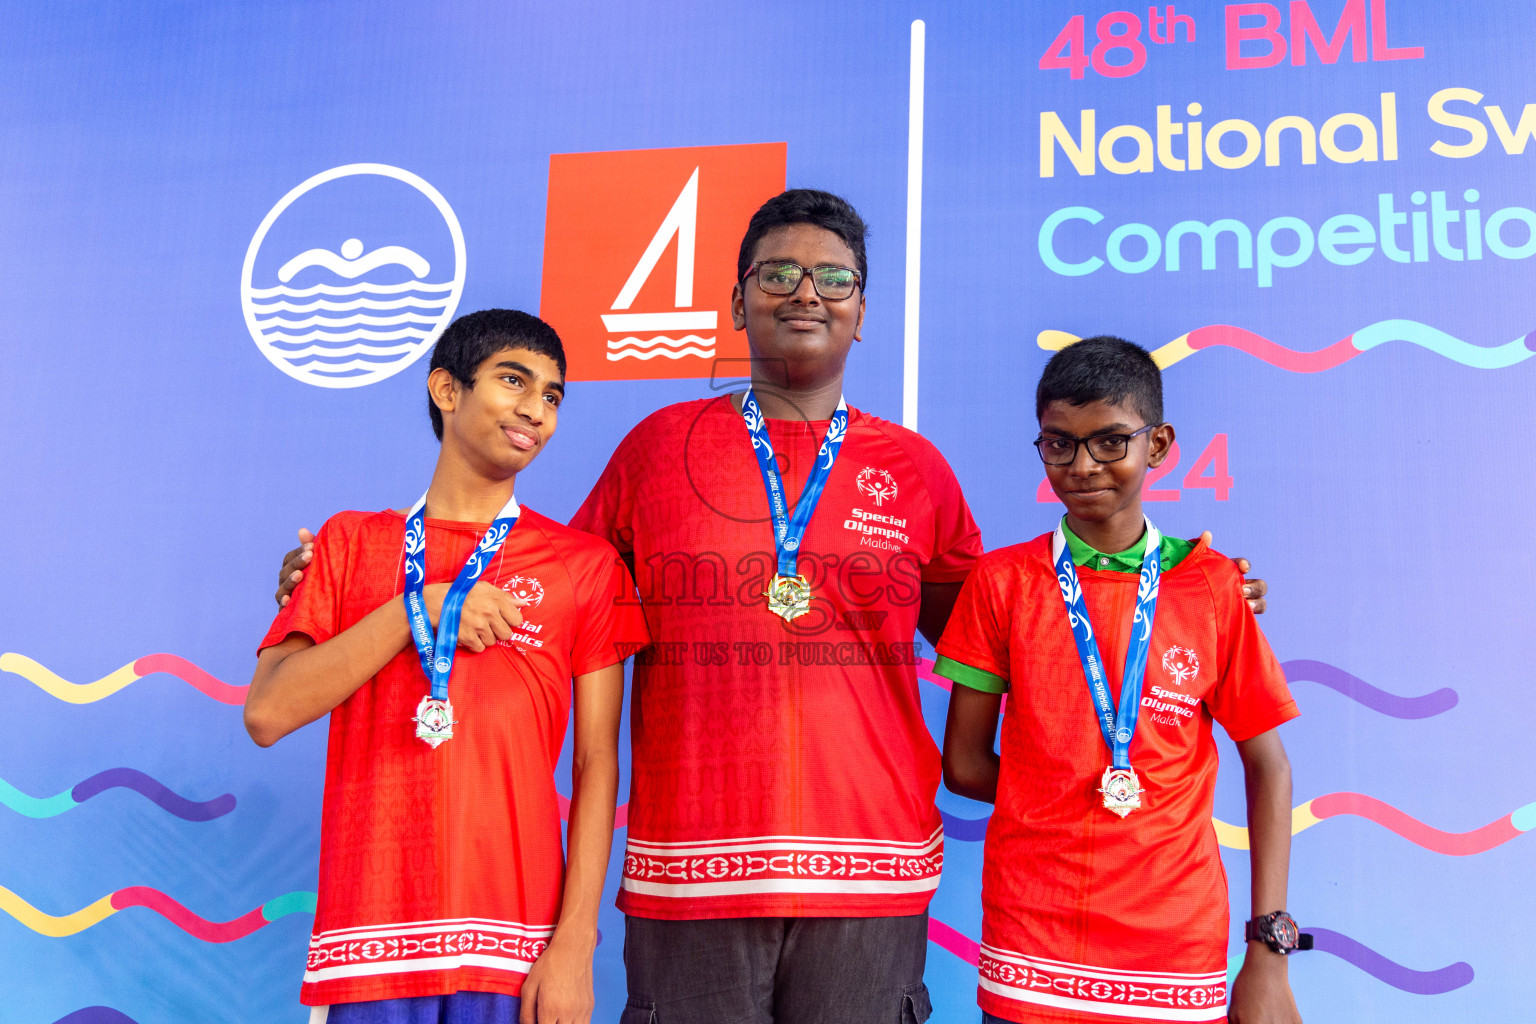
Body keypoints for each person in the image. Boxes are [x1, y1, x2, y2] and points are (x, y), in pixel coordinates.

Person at [274, 193, 1270, 1024]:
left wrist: (1181, 584)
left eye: (833, 278)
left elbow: (1025, 617)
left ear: (863, 313)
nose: (805, 292)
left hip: (871, 875)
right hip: (686, 872)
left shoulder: (915, 470)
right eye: (778, 274)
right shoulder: (655, 446)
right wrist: (354, 581)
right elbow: (537, 582)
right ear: (738, 301)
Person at [246, 309, 650, 1024]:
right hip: (370, 946)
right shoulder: (348, 543)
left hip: (515, 949)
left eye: (553, 396)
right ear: (446, 389)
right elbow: (269, 712)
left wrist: (574, 947)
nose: (535, 409)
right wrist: (414, 611)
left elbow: (596, 767)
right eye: (513, 380)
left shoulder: (584, 566)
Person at [935, 336, 1303, 1024]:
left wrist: (1269, 950)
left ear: (1158, 445)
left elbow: (1270, 766)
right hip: (1033, 948)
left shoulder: (1213, 585)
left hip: (1176, 954)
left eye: (1110, 442)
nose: (1083, 466)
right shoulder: (1003, 582)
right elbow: (962, 765)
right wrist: (1062, 796)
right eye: (1059, 445)